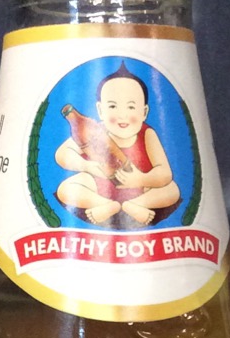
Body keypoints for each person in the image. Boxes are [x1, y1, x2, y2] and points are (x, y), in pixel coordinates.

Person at [55, 62, 181, 226]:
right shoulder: (94, 131)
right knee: (65, 189)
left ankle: (136, 205)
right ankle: (104, 204)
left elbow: (164, 173)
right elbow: (62, 154)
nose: (122, 115)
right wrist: (87, 166)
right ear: (100, 111)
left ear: (144, 112)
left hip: (140, 188)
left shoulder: (147, 134)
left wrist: (140, 179)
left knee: (172, 190)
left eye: (131, 107)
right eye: (113, 106)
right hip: (99, 185)